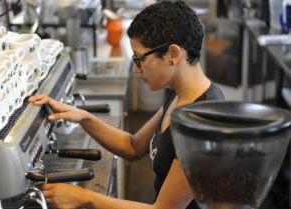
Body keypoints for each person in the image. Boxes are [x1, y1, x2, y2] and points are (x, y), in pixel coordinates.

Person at [29, 1, 225, 208]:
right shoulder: (180, 95)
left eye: (140, 59)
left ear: (173, 54)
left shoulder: (202, 121)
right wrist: (83, 117)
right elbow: (132, 146)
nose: (135, 69)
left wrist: (83, 197)